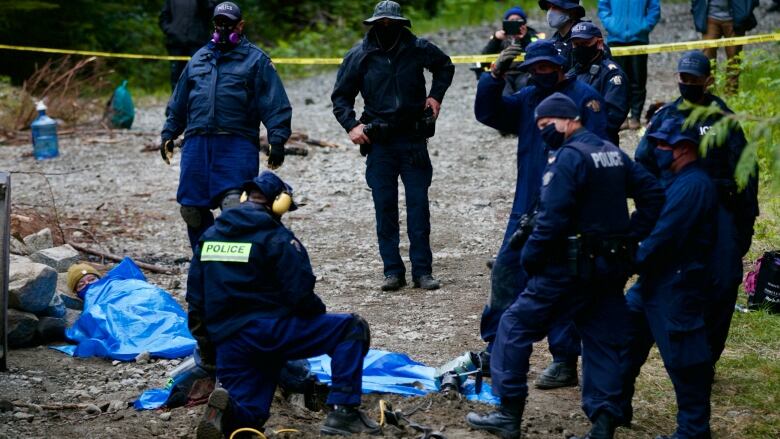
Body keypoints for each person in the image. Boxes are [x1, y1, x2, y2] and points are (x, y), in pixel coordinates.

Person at [466, 93, 664, 439]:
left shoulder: (569, 159)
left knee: (513, 327)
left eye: (546, 126)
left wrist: (530, 260)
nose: (544, 133)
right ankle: (602, 424)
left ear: (568, 119)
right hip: (609, 269)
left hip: (566, 269)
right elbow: (653, 195)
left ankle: (508, 413)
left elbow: (551, 220)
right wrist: (630, 237)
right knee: (603, 341)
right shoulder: (612, 153)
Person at [187, 171, 379, 438]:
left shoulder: (208, 237)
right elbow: (300, 293)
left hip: (230, 341)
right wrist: (315, 319)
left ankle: (228, 412)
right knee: (350, 328)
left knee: (251, 418)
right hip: (273, 331)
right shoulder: (276, 237)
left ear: (244, 198)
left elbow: (196, 302)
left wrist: (210, 351)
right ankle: (344, 413)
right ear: (279, 203)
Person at [474, 39, 608, 390]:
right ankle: (496, 347)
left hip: (566, 209)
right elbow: (490, 114)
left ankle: (564, 359)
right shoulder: (529, 96)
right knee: (506, 272)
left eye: (546, 67)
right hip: (526, 206)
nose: (540, 73)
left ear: (560, 65)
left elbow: (596, 151)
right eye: (534, 68)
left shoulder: (585, 97)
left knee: (559, 281)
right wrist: (494, 75)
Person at [635, 51, 759, 368]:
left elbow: (747, 172)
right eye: (683, 78)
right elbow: (643, 166)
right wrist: (652, 213)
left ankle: (707, 357)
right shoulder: (666, 118)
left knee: (723, 283)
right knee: (663, 283)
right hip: (676, 216)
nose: (687, 84)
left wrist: (743, 228)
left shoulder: (724, 119)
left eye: (693, 79)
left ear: (708, 81)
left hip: (720, 216)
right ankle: (664, 352)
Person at [331, 0, 454, 292]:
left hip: (413, 140)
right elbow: (340, 98)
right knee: (384, 209)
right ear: (373, 24)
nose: (386, 28)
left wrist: (436, 97)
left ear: (401, 24)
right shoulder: (359, 56)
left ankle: (422, 271)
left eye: (391, 23)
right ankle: (392, 272)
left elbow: (445, 67)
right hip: (380, 144)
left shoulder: (418, 49)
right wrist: (352, 126)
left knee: (418, 208)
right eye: (381, 23)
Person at [161, 1, 292, 253]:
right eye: (218, 23)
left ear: (240, 26)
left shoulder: (256, 60)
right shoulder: (199, 58)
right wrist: (169, 133)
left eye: (228, 24)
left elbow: (275, 103)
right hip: (197, 144)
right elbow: (178, 101)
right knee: (191, 210)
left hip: (236, 144)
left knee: (235, 206)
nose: (222, 28)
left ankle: (235, 266)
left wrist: (277, 139)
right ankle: (205, 261)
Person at [621, 117, 718, 439]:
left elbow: (663, 236)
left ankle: (692, 431)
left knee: (685, 362)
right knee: (625, 341)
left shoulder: (694, 185)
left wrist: (627, 260)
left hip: (677, 284)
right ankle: (616, 409)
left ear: (685, 149)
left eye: (665, 144)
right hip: (652, 280)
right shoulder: (673, 178)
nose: (658, 149)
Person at [597, 0, 661, 130]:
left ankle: (636, 116)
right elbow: (603, 6)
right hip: (615, 40)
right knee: (616, 80)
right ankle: (621, 117)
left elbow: (655, 8)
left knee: (638, 79)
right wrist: (611, 24)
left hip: (639, 39)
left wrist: (645, 26)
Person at [569, 21, 629, 145]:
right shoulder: (571, 73)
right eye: (576, 44)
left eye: (585, 43)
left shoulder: (612, 74)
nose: (580, 48)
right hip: (571, 143)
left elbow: (613, 117)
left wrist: (575, 124)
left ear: (599, 43)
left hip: (600, 144)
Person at [691, 0, 759, 93]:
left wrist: (747, 11)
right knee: (707, 59)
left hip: (735, 19)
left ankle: (731, 95)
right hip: (710, 18)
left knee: (734, 59)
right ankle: (707, 95)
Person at [477, 5, 540, 95]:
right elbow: (484, 58)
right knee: (504, 90)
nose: (514, 22)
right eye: (511, 20)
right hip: (504, 72)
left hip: (524, 72)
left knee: (525, 89)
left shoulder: (532, 35)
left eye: (518, 20)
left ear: (524, 23)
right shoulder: (500, 37)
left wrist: (524, 38)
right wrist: (496, 40)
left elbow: (537, 54)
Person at [538, 0, 587, 70]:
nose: (550, 12)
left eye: (555, 7)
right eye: (549, 7)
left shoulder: (586, 39)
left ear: (572, 11)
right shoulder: (554, 40)